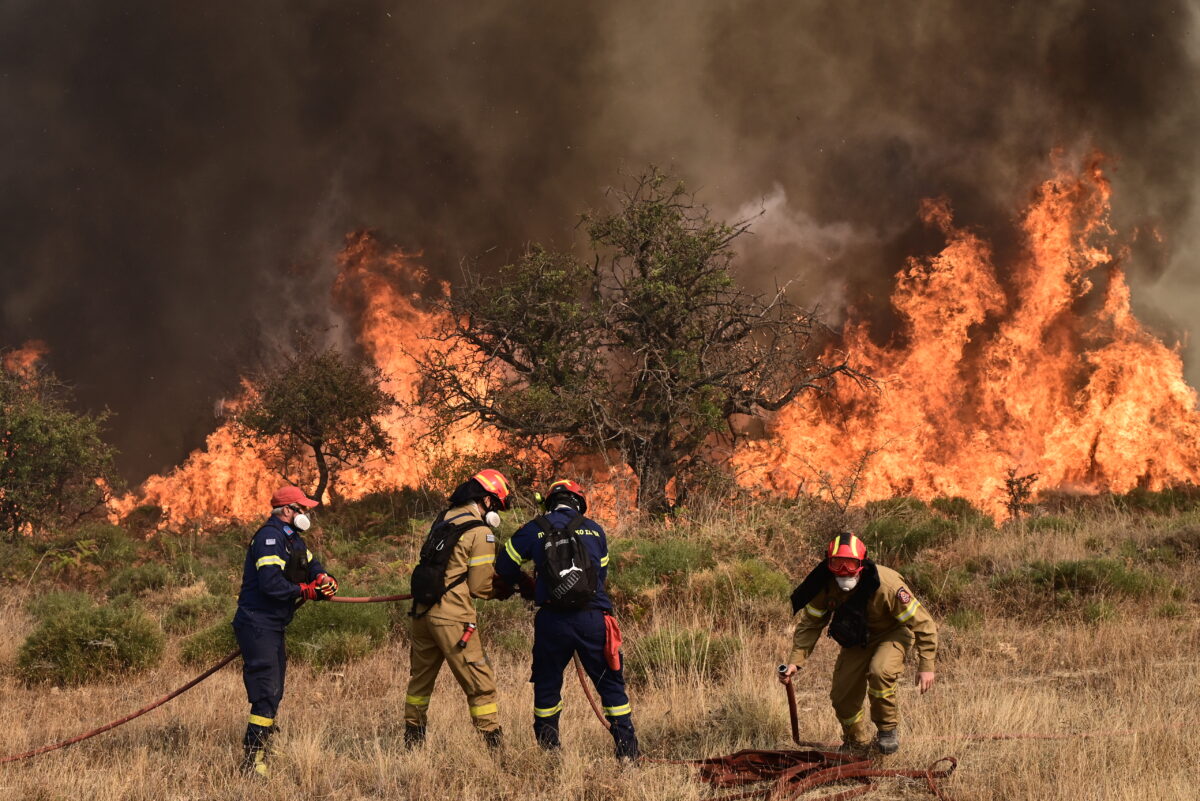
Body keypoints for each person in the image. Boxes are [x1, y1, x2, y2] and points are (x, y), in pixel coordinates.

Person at [493, 479, 639, 762]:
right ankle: (628, 754)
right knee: (610, 685)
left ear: (550, 502)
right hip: (593, 619)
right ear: (578, 502)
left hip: (552, 623)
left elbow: (503, 566)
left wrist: (524, 583)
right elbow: (600, 577)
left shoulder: (534, 529)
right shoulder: (595, 530)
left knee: (548, 685)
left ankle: (550, 755)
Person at [778, 532, 937, 755]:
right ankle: (856, 742)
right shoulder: (823, 585)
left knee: (880, 673)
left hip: (891, 634)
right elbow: (811, 624)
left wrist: (926, 665)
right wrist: (795, 662)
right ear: (828, 563)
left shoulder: (887, 585)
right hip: (857, 640)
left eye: (850, 564)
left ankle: (887, 730)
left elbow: (924, 624)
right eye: (837, 563)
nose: (843, 570)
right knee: (842, 696)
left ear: (861, 563)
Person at [232, 485, 338, 777]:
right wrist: (305, 591)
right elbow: (270, 584)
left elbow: (312, 564)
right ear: (288, 511)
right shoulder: (269, 538)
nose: (306, 514)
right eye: (302, 508)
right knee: (266, 691)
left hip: (273, 624)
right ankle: (253, 760)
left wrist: (324, 579)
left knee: (275, 690)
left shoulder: (292, 538)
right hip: (257, 623)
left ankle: (264, 744)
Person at [403, 469, 510, 750]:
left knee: (420, 682)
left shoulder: (443, 520)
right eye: (497, 504)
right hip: (453, 618)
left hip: (422, 613)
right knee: (479, 680)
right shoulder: (481, 533)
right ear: (486, 500)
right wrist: (504, 590)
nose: (496, 511)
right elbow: (479, 587)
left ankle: (412, 741)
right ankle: (493, 745)